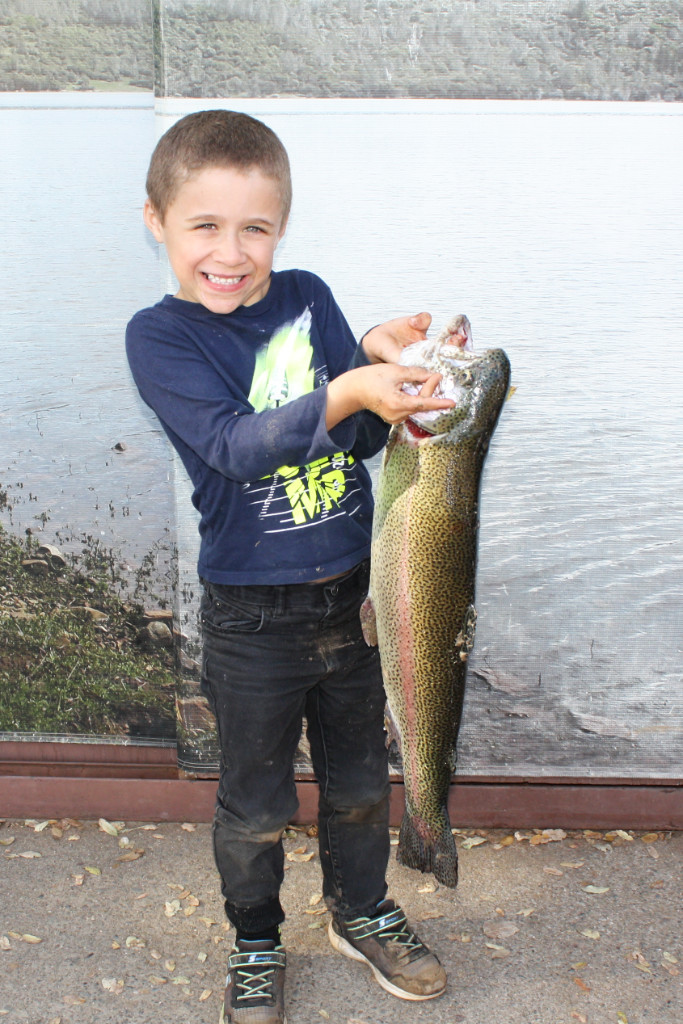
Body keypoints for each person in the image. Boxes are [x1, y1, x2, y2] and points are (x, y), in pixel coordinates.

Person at [126, 109, 454, 1024]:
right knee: (255, 801)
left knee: (357, 784)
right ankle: (256, 939)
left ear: (281, 228)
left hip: (356, 603)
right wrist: (347, 385)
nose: (231, 252)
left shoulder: (307, 293)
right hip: (250, 618)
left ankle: (362, 909)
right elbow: (233, 445)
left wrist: (373, 366)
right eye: (204, 226)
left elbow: (347, 440)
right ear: (156, 219)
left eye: (255, 229)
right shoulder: (159, 339)